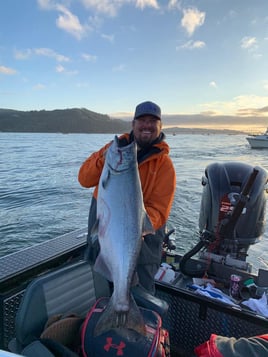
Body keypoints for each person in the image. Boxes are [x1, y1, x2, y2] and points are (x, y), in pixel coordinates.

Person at [78, 100, 176, 294]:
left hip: (142, 246)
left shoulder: (164, 166)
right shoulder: (114, 148)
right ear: (133, 124)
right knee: (96, 293)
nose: (147, 125)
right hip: (104, 237)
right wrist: (103, 157)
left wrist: (134, 224)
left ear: (160, 126)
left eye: (152, 121)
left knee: (141, 298)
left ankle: (134, 319)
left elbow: (159, 210)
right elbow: (84, 178)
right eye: (142, 120)